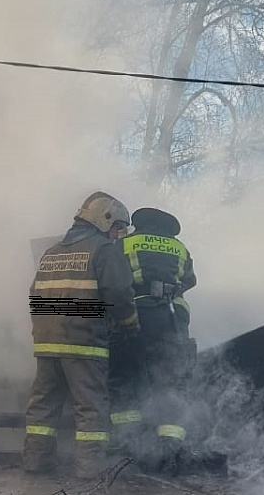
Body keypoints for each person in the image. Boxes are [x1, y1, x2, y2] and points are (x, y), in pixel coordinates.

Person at [23, 192, 138, 478]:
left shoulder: (51, 252)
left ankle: (36, 462)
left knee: (43, 406)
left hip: (47, 342)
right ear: (104, 219)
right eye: (117, 227)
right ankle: (90, 470)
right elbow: (119, 294)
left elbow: (34, 294)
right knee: (91, 407)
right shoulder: (104, 250)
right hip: (84, 343)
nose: (117, 235)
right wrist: (129, 323)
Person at [108, 206, 196, 473]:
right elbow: (190, 280)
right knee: (172, 380)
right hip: (172, 320)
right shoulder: (180, 248)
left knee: (126, 376)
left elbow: (112, 280)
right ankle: (170, 450)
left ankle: (131, 446)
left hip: (135, 318)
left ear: (139, 223)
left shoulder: (124, 243)